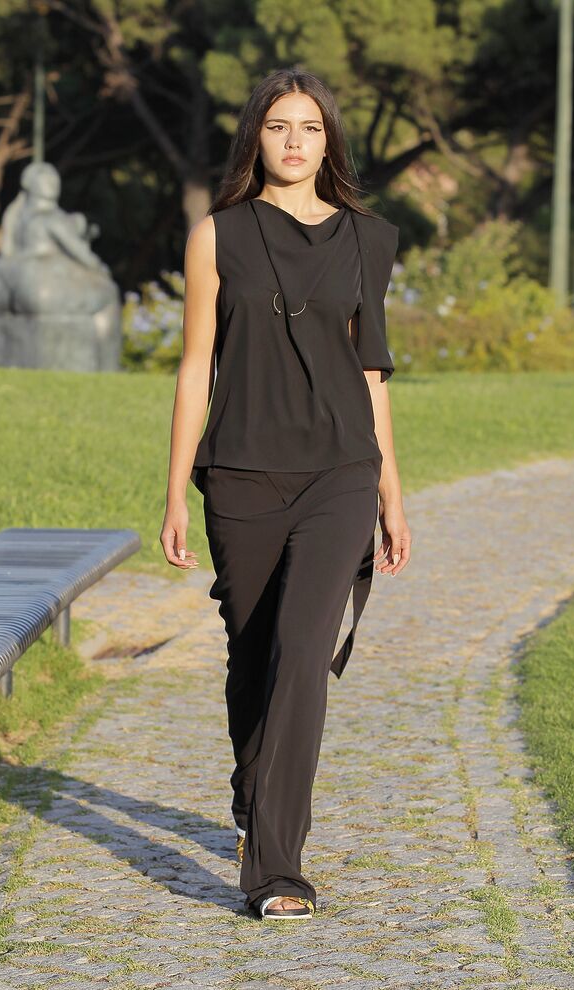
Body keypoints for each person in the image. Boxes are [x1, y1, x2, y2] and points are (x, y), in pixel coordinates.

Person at [160, 67, 411, 922]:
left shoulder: (368, 240)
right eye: (278, 127)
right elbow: (195, 367)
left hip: (340, 473)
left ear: (329, 139)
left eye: (309, 127)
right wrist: (173, 492)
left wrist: (391, 493)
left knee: (303, 650)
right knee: (253, 653)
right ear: (256, 138)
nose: (295, 141)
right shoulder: (217, 236)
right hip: (241, 473)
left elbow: (371, 375)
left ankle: (276, 871)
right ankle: (253, 795)